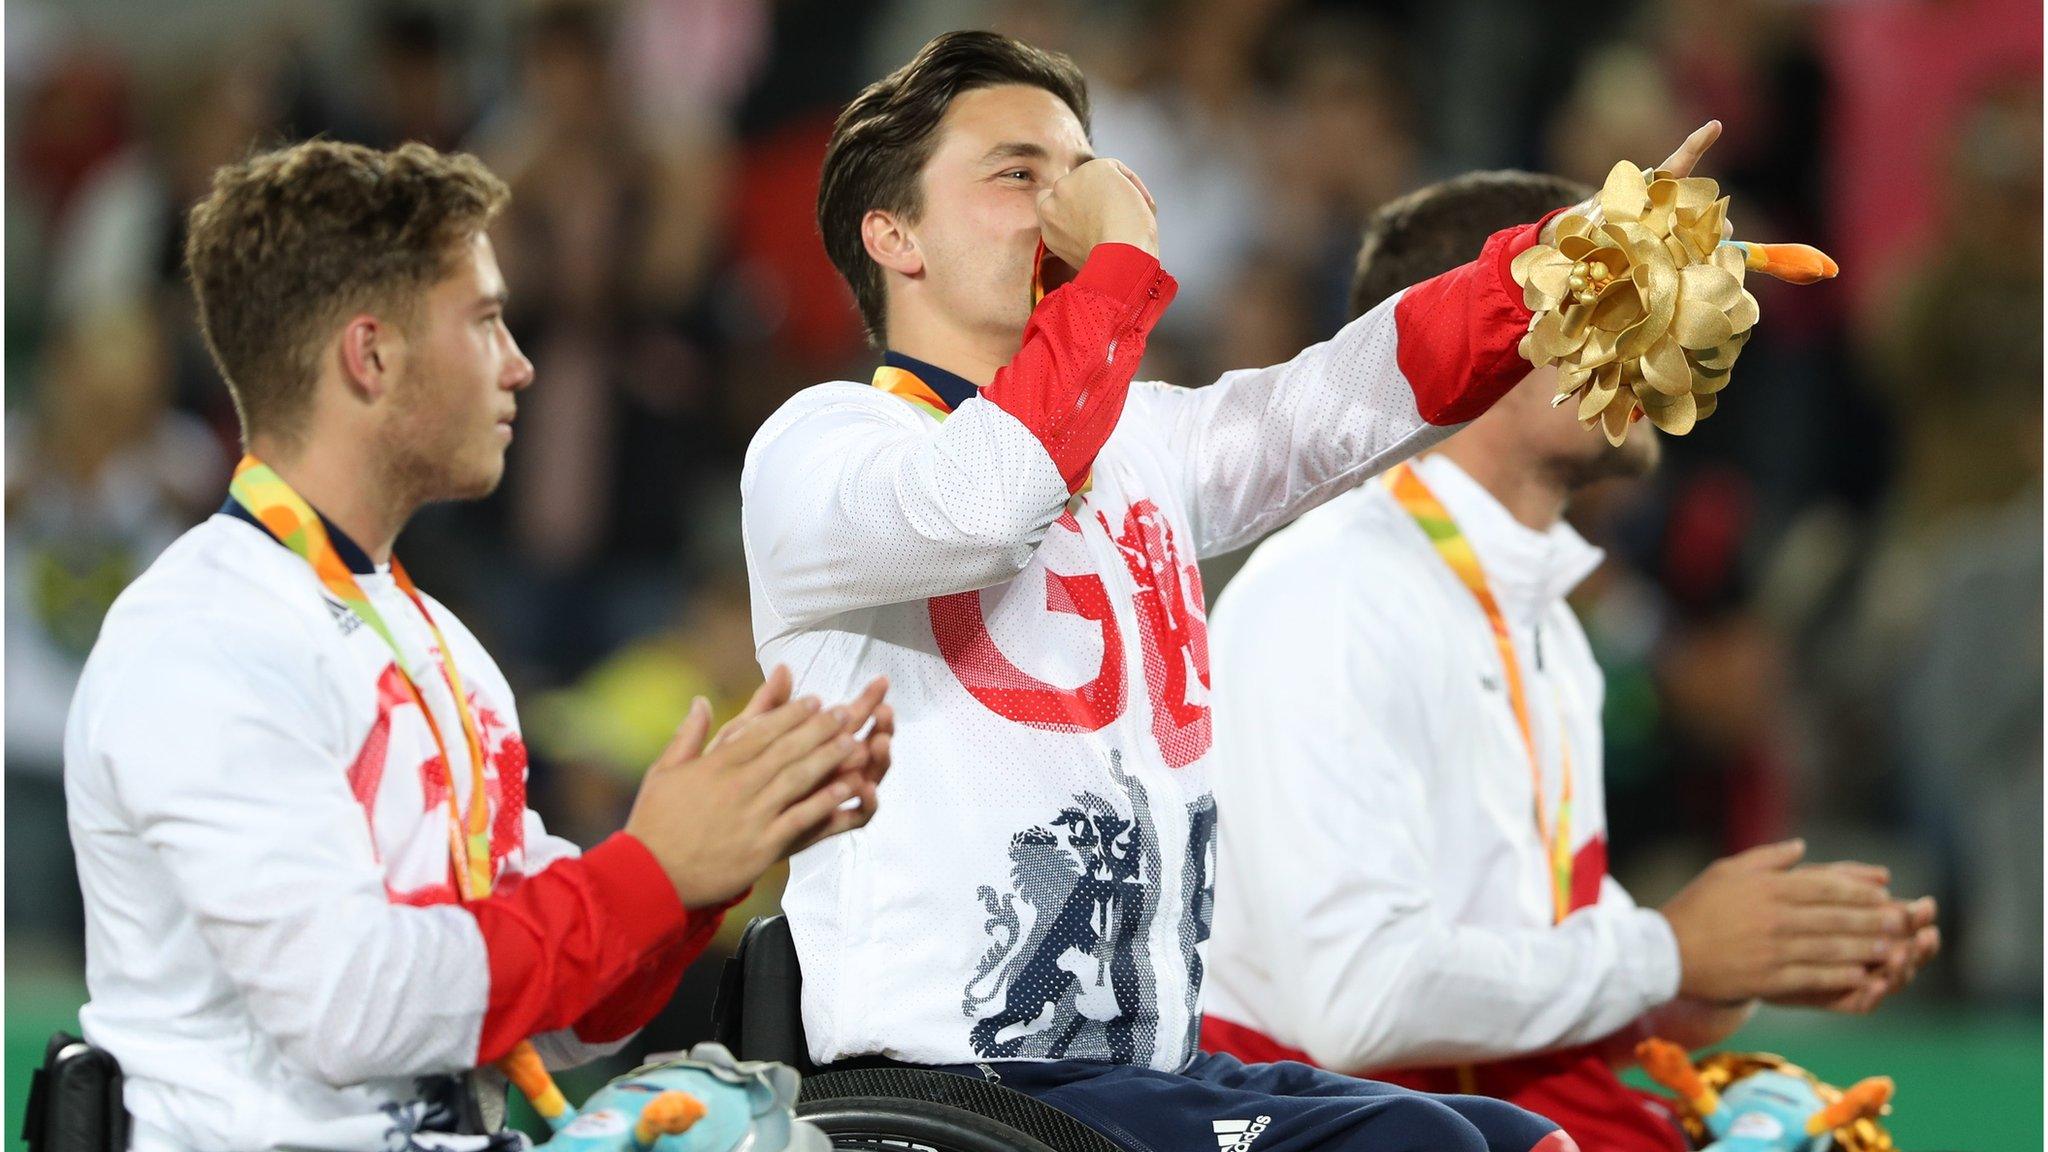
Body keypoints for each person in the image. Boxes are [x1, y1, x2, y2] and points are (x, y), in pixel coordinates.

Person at [741, 29, 1719, 1152]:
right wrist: (1114, 266)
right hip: (953, 1079)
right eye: (1018, 175)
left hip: (1152, 1071)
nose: (1065, 207)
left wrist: (1549, 264)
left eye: (1077, 173)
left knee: (1521, 1145)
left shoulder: (1143, 445)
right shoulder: (820, 449)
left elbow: (1346, 397)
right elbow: (985, 500)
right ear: (893, 234)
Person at [63, 140, 892, 1152]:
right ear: (370, 356)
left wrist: (706, 864)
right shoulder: (200, 638)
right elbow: (349, 1009)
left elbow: (559, 1016)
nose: (520, 362)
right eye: (486, 320)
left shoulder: (436, 639)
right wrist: (648, 872)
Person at [1197, 172, 1941, 1151]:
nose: (1663, 350)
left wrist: (1722, 969)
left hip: (1467, 1109)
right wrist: (1665, 952)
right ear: (1485, 337)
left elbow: (1521, 982)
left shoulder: (1537, 612)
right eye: (1620, 307)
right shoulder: (1330, 591)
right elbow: (1352, 1001)